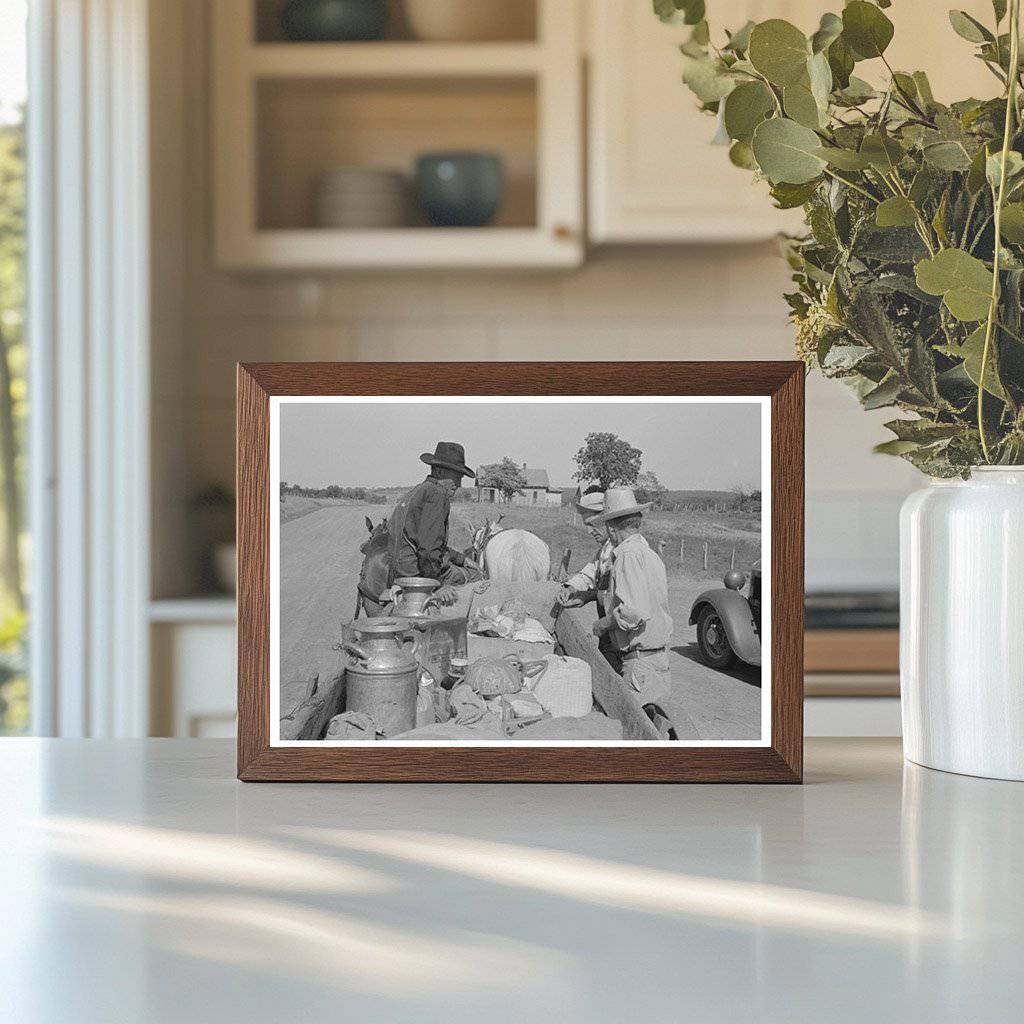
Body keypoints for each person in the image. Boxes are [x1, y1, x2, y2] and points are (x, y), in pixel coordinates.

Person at [589, 486, 674, 713]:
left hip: (639, 663)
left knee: (629, 725)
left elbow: (633, 613)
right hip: (658, 659)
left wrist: (603, 624)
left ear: (611, 527)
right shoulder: (650, 554)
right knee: (658, 722)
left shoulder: (626, 556)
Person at [383, 441, 478, 608]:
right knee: (478, 576)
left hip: (401, 568)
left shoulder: (419, 490)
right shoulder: (437, 494)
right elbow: (428, 551)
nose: (459, 485)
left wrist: (461, 558)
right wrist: (437, 585)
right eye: (456, 478)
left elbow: (425, 541)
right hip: (416, 573)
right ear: (439, 471)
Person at [557, 486, 614, 613]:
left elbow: (618, 596)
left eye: (592, 524)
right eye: (587, 525)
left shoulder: (624, 551)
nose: (589, 531)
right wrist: (570, 588)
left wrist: (588, 596)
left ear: (607, 520)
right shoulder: (604, 550)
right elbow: (587, 575)